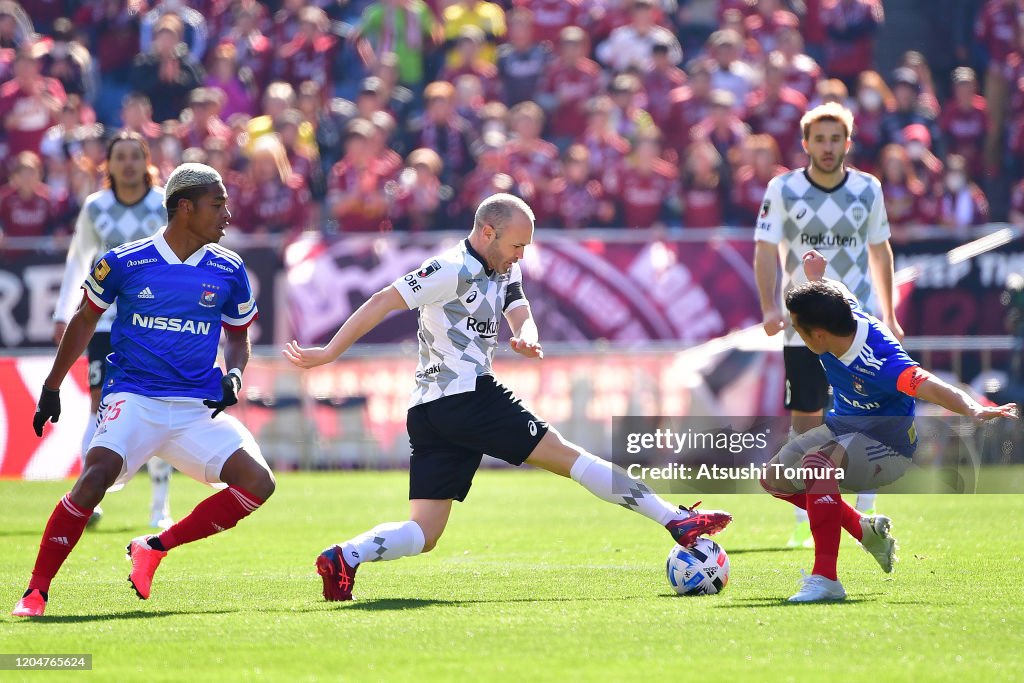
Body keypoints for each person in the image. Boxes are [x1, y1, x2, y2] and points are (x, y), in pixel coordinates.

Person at [283, 193, 732, 601]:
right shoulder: (449, 268)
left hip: (430, 411)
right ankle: (675, 519)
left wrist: (526, 336)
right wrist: (328, 353)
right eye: (517, 245)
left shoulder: (504, 266)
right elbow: (383, 300)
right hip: (465, 396)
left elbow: (519, 308)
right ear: (487, 232)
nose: (522, 255)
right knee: (572, 458)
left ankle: (344, 557)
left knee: (424, 533)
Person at [13, 163, 273, 618]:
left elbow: (237, 335)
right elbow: (84, 320)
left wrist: (234, 375)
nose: (228, 215)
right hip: (135, 397)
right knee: (94, 477)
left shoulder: (229, 268)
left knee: (258, 484)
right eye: (218, 205)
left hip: (196, 406)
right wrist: (53, 386)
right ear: (185, 208)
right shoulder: (124, 261)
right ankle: (36, 592)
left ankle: (154, 546)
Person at [762, 250, 1018, 602]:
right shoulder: (840, 314)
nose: (795, 331)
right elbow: (836, 291)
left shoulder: (877, 358)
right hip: (842, 429)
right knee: (773, 478)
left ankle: (827, 579)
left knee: (816, 465)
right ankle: (866, 533)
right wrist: (815, 278)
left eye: (798, 327)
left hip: (887, 446)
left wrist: (971, 407)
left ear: (818, 335)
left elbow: (924, 381)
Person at [753, 102, 903, 548]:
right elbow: (764, 249)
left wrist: (890, 316)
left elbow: (880, 250)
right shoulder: (782, 189)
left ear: (848, 143)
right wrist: (768, 306)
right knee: (806, 421)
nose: (827, 146)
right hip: (804, 325)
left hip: (858, 324)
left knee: (866, 414)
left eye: (836, 138)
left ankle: (867, 503)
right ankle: (810, 515)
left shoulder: (867, 189)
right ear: (805, 143)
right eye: (819, 138)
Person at [53, 131, 175, 530]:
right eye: (119, 156)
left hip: (154, 320)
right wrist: (63, 312)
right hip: (105, 319)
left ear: (146, 162)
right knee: (98, 405)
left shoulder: (164, 205)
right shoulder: (95, 208)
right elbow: (78, 260)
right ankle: (87, 497)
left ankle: (160, 503)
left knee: (158, 406)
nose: (127, 164)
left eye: (134, 156)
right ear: (108, 164)